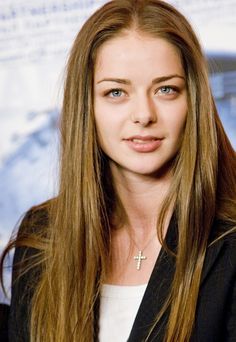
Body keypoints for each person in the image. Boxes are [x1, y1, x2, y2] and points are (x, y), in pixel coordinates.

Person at [1, 0, 236, 341]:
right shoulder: (43, 236)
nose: (143, 114)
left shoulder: (229, 238)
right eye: (116, 92)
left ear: (194, 101)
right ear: (87, 107)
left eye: (166, 89)